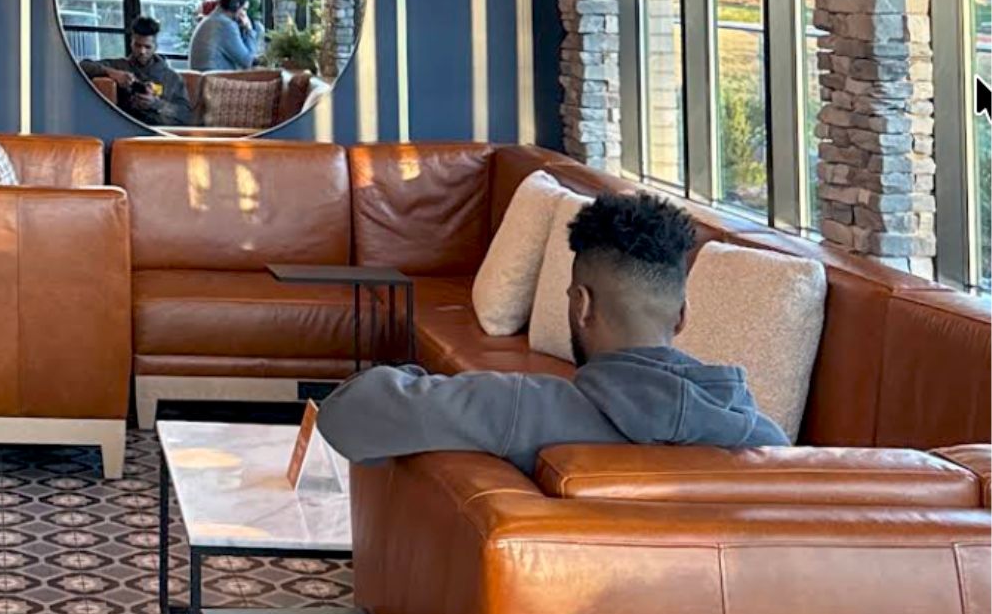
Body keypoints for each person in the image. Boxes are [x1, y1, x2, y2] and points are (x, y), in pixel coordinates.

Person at [317, 190, 786, 475]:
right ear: (681, 316)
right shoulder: (768, 443)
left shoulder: (522, 410)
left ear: (581, 305)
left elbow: (346, 415)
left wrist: (409, 374)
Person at [82, 15, 194, 127]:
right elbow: (83, 66)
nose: (142, 51)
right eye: (137, 45)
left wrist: (156, 104)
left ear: (155, 46)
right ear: (131, 43)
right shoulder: (119, 66)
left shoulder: (172, 78)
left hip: (159, 131)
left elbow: (185, 116)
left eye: (147, 47)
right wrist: (113, 73)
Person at [188, 0, 263, 72]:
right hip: (214, 79)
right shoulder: (226, 25)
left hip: (204, 78)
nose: (244, 14)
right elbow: (247, 62)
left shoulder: (213, 19)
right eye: (243, 9)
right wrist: (249, 30)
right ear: (235, 6)